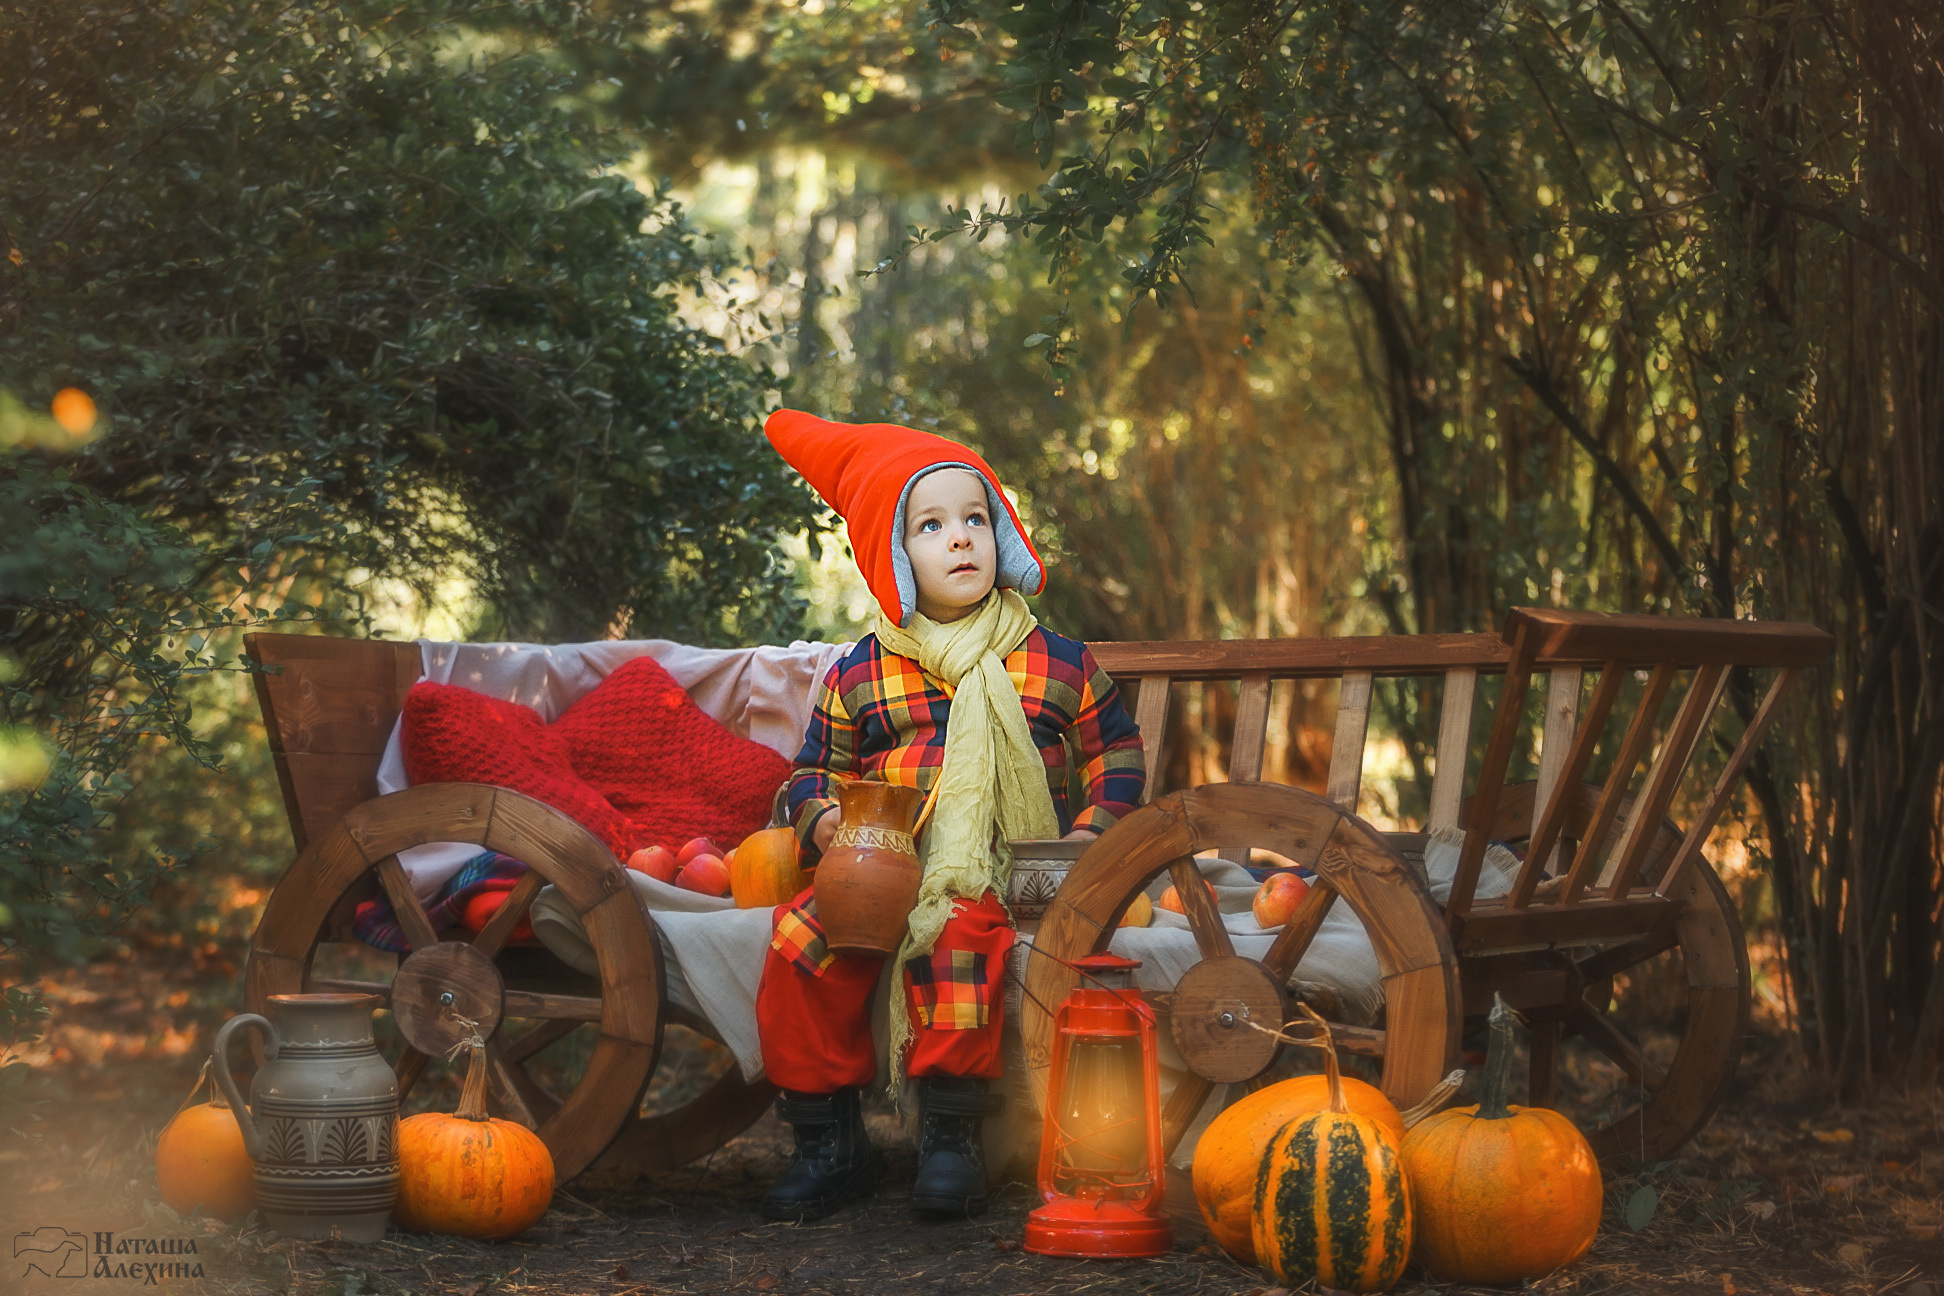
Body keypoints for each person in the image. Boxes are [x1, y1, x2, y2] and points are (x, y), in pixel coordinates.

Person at [753, 410, 1146, 1222]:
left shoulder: (1056, 660)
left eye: (975, 518)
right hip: (880, 868)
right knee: (800, 941)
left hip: (1002, 871)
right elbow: (812, 770)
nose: (960, 539)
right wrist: (823, 822)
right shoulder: (863, 670)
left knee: (958, 937)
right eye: (931, 526)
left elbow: (1118, 757)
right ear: (896, 558)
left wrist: (1086, 839)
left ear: (1002, 533)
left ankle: (949, 1137)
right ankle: (830, 1144)